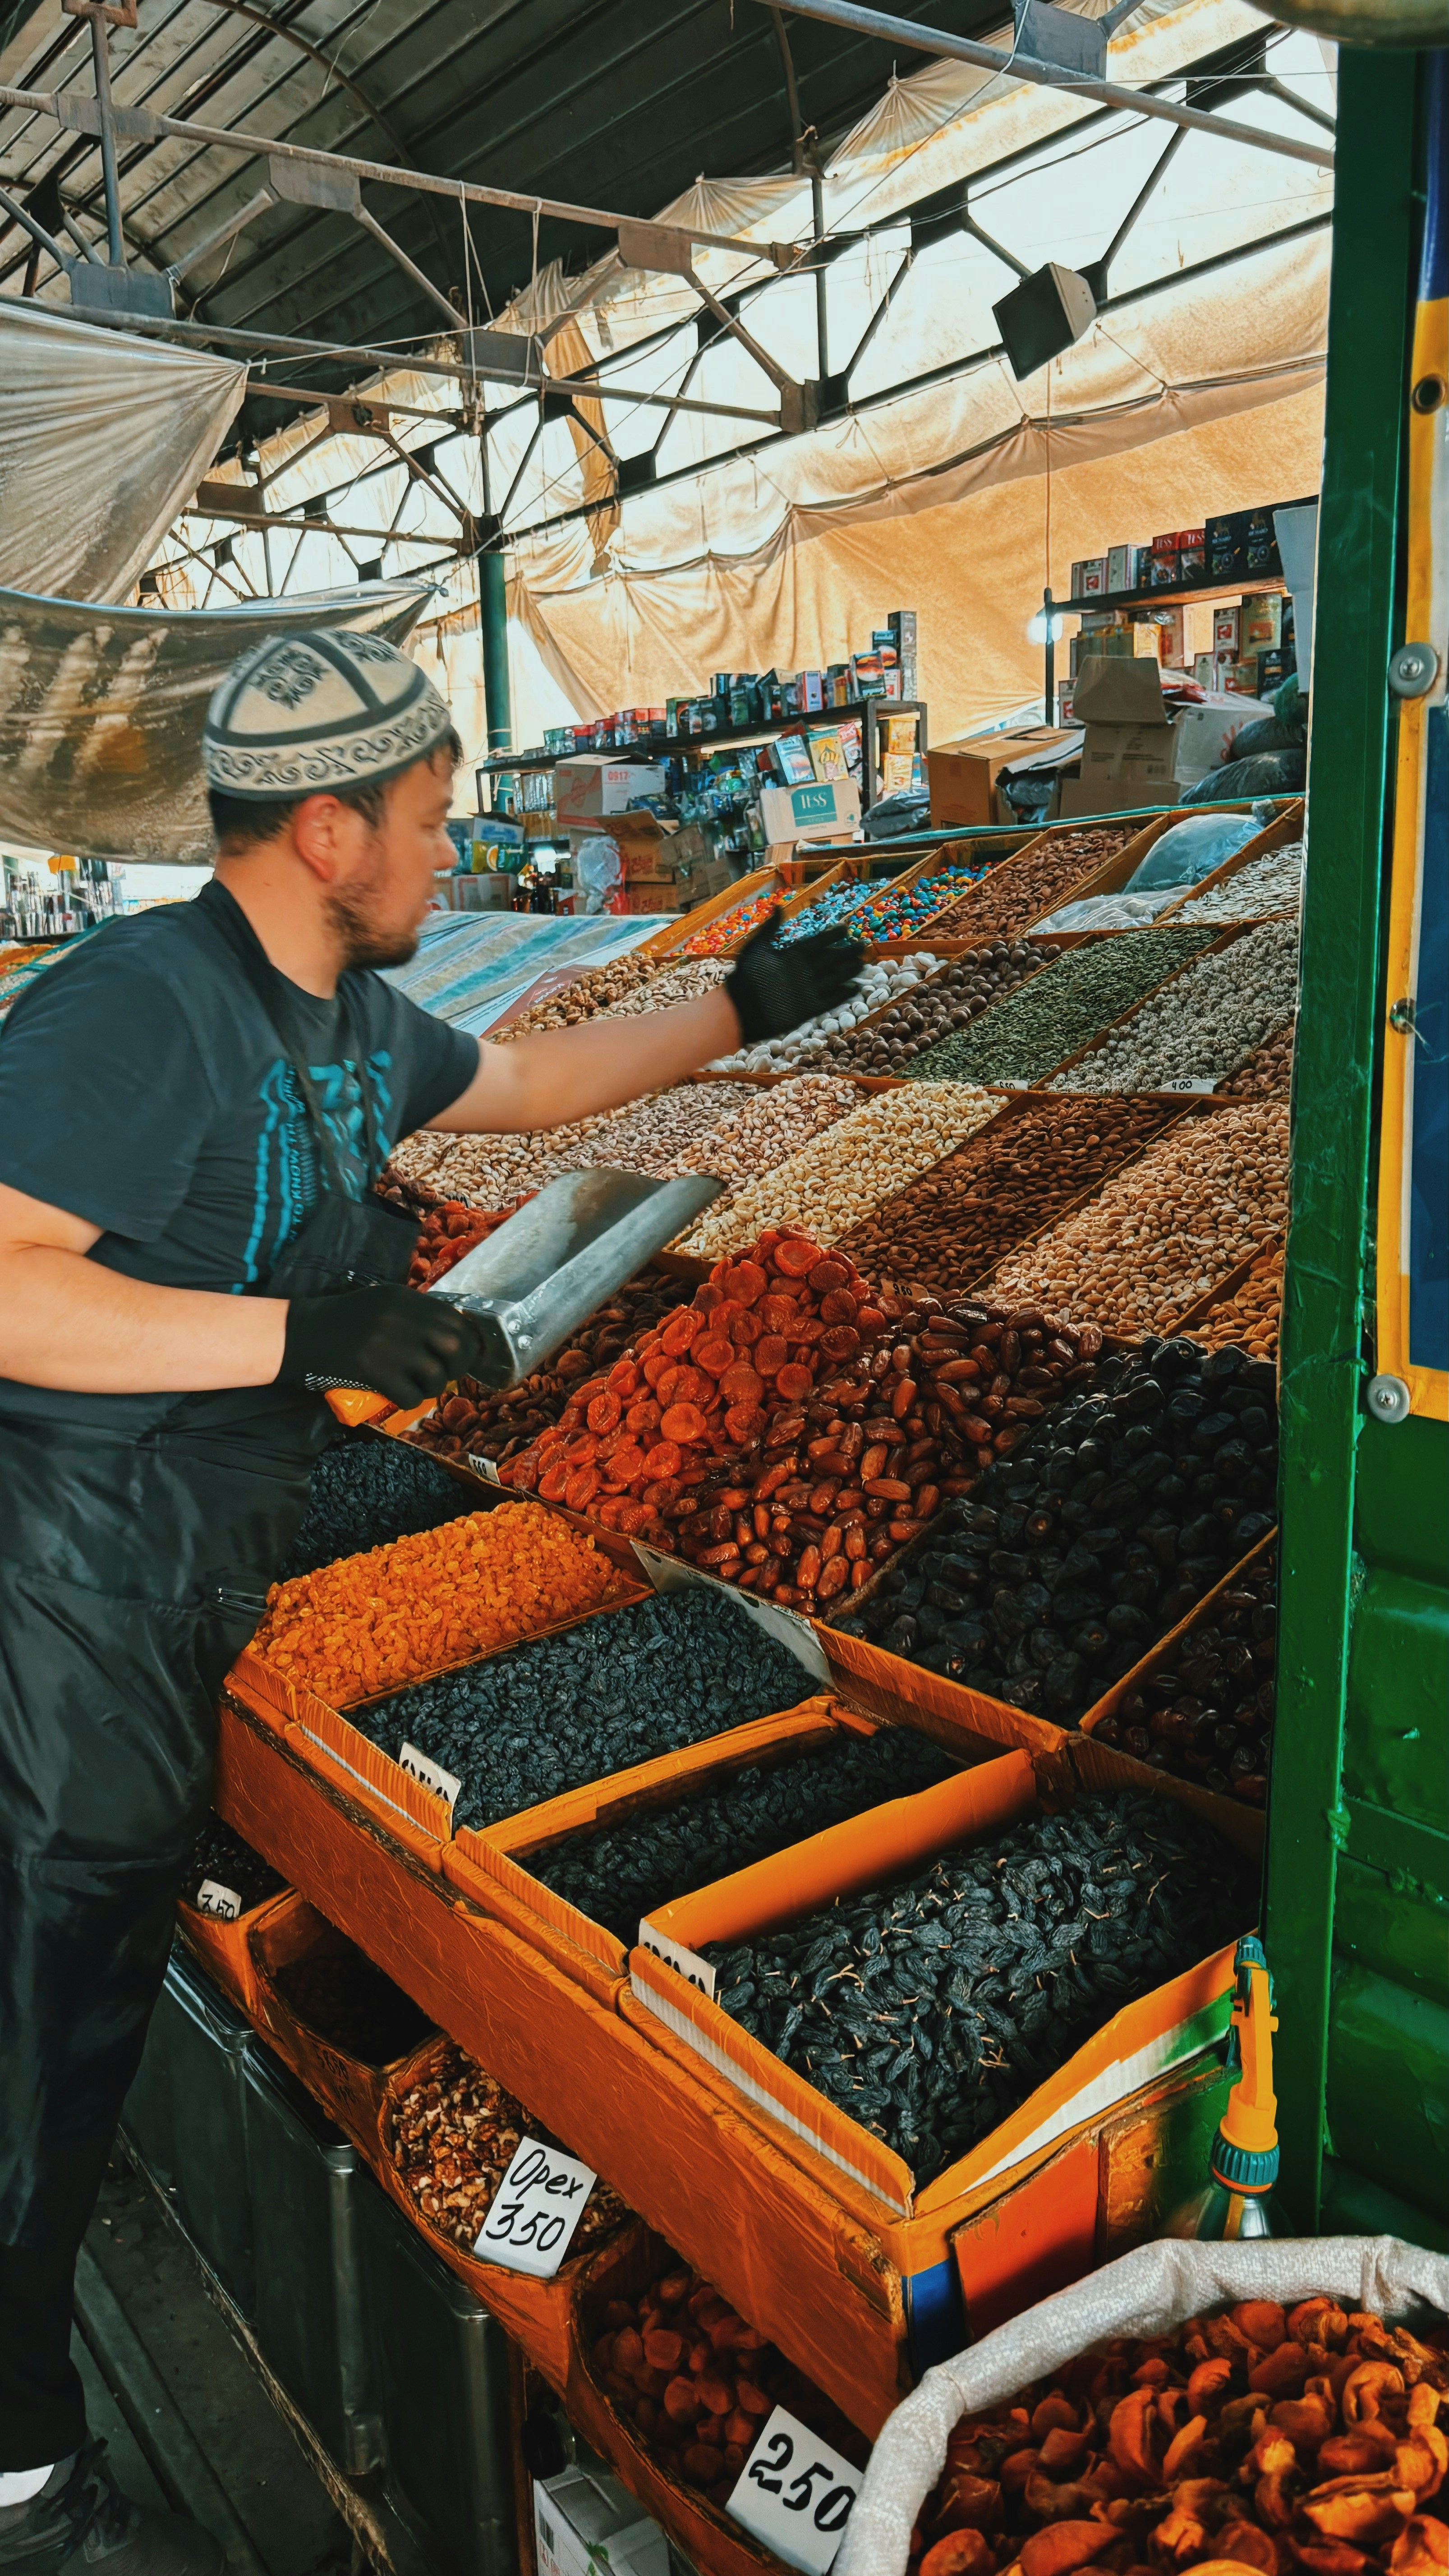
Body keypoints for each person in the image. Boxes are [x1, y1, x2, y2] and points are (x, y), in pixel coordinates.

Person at [0, 631, 862, 2574]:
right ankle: (25, 2479)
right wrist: (309, 1325)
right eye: (429, 817)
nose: (448, 843)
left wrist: (745, 1004)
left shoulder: (343, 1016)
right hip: (56, 1557)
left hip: (190, 1547)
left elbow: (542, 1077)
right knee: (37, 2017)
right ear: (328, 832)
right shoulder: (144, 1008)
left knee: (84, 1992)